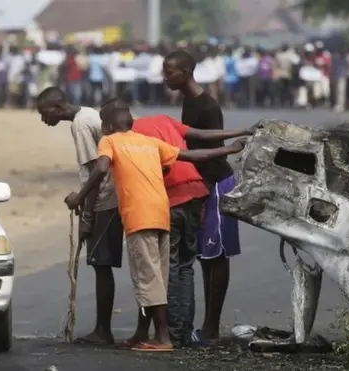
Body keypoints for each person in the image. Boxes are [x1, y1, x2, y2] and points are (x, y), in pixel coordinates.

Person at [63, 98, 247, 352]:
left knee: (148, 279)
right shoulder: (150, 142)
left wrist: (79, 198)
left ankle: (163, 337)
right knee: (164, 275)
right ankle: (157, 333)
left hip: (141, 217)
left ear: (106, 126)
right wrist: (231, 149)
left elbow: (101, 168)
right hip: (163, 213)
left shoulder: (109, 141)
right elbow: (192, 154)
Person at [129, 108, 256, 348]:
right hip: (196, 196)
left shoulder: (132, 139)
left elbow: (163, 169)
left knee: (170, 268)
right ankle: (183, 331)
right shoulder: (163, 121)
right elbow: (200, 139)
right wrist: (241, 134)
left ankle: (172, 334)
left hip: (173, 201)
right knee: (186, 267)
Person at [162, 49, 242, 344]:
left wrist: (202, 198)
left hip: (215, 184)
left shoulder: (208, 106)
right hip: (200, 184)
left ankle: (211, 327)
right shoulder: (188, 101)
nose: (165, 77)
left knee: (216, 256)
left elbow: (213, 154)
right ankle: (206, 326)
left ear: (185, 71)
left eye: (170, 72)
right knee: (205, 257)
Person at [35, 86, 122, 345]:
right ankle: (102, 328)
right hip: (107, 197)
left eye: (45, 113)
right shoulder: (88, 114)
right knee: (101, 264)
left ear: (59, 108)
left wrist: (85, 212)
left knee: (101, 264)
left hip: (105, 201)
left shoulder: (81, 125)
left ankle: (103, 330)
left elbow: (97, 171)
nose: (44, 120)